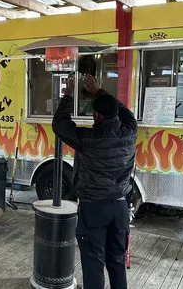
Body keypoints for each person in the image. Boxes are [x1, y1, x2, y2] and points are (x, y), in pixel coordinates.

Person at [52, 75, 138, 289]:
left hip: (94, 209)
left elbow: (60, 125)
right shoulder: (130, 131)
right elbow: (125, 112)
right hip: (119, 207)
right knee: (116, 261)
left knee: (93, 263)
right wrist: (100, 91)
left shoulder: (89, 139)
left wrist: (68, 96)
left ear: (96, 115)